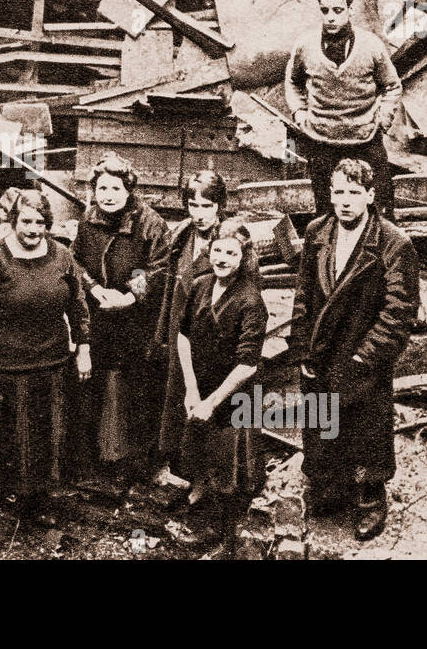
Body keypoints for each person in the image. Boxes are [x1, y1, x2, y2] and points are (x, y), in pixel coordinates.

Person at [289, 158, 420, 541]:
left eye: (354, 192)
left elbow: (399, 310)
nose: (345, 201)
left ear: (371, 195)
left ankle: (368, 499)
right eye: (338, 192)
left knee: (366, 430)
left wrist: (366, 356)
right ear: (330, 193)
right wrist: (303, 348)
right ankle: (327, 489)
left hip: (362, 355)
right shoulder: (317, 232)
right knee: (322, 423)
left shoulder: (393, 242)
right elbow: (303, 295)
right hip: (322, 352)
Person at [0, 189, 92, 525]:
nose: (33, 229)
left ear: (48, 223)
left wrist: (84, 348)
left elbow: (78, 306)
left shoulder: (62, 257)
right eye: (26, 221)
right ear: (14, 222)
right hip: (1, 367)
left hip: (50, 365)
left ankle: (35, 500)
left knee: (42, 433)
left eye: (40, 222)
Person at [166, 220, 268, 557]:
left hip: (233, 399)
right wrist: (192, 389)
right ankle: (200, 516)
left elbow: (248, 363)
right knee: (199, 457)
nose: (222, 258)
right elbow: (182, 334)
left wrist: (212, 401)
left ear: (243, 257)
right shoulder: (200, 285)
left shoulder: (251, 300)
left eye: (231, 252)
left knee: (230, 473)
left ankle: (225, 540)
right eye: (218, 251)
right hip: (202, 389)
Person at [69, 152, 172, 484]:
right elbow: (76, 261)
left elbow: (156, 269)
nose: (108, 196)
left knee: (132, 389)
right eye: (102, 189)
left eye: (115, 189)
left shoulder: (151, 224)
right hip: (98, 316)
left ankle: (129, 464)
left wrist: (128, 295)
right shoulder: (89, 219)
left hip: (135, 323)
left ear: (129, 191)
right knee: (92, 385)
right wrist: (95, 289)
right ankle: (93, 459)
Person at [285, 0, 403, 220]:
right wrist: (299, 112)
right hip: (321, 140)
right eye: (325, 10)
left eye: (337, 10)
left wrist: (383, 117)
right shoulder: (305, 46)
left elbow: (392, 86)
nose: (331, 17)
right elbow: (293, 82)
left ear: (350, 10)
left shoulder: (371, 46)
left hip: (365, 138)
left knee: (381, 205)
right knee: (327, 210)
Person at [154, 170, 229, 489]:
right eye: (193, 205)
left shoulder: (230, 240)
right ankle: (180, 471)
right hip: (178, 329)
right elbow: (169, 286)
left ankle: (205, 481)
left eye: (207, 206)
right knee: (176, 399)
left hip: (211, 337)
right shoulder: (182, 235)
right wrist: (162, 334)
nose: (199, 214)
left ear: (220, 206)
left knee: (206, 403)